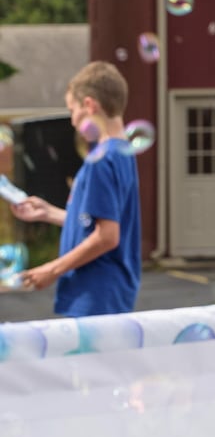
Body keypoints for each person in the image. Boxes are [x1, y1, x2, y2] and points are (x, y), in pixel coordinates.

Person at [10, 61, 141, 316]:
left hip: (93, 294)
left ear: (90, 105)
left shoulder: (101, 161)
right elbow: (98, 223)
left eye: (73, 110)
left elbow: (107, 236)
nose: (72, 121)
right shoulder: (122, 153)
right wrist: (48, 213)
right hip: (111, 292)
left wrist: (52, 269)